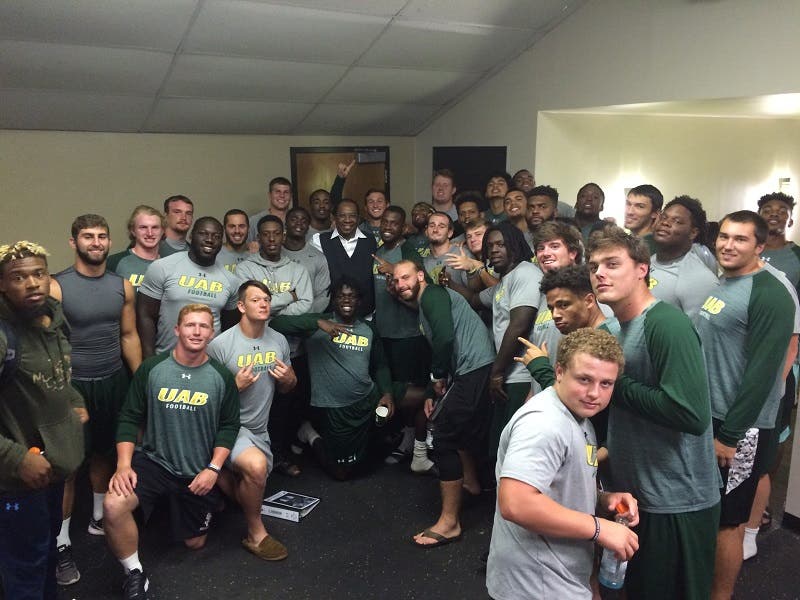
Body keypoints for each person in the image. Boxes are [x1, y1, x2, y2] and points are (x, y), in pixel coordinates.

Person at [586, 226, 720, 599]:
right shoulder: (612, 328)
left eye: (612, 264)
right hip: (634, 494)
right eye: (594, 266)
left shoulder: (665, 323)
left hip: (676, 499)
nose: (600, 273)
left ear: (642, 269)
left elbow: (690, 414)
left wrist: (614, 384)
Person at [487, 328, 639, 600]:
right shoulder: (543, 423)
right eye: (584, 379)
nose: (594, 393)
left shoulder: (578, 416)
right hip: (535, 585)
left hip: (564, 574)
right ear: (559, 371)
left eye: (606, 383)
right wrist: (600, 528)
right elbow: (516, 503)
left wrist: (604, 500)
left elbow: (559, 488)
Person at [693, 211, 797, 600]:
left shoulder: (770, 292)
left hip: (740, 428)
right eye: (724, 236)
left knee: (729, 520)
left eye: (740, 239)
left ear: (759, 246)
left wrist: (730, 435)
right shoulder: (726, 281)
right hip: (709, 416)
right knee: (709, 511)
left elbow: (763, 373)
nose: (728, 245)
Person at [104, 304, 240, 600]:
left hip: (197, 469)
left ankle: (199, 503)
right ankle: (134, 573)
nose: (197, 331)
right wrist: (123, 465)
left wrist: (213, 469)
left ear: (212, 333)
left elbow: (229, 426)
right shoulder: (152, 369)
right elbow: (129, 417)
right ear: (177, 330)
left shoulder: (221, 377)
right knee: (113, 505)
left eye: (204, 326)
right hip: (156, 462)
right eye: (190, 325)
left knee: (194, 543)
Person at [53, 214, 142, 585]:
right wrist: (59, 393)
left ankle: (98, 519)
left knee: (106, 454)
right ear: (73, 242)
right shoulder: (56, 287)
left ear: (109, 241)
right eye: (87, 236)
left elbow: (129, 335)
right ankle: (60, 544)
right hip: (73, 386)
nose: (96, 242)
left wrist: (141, 381)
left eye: (102, 236)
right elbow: (47, 344)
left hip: (113, 381)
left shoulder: (123, 286)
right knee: (69, 466)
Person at [0, 241, 87, 599]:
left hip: (52, 470)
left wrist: (74, 400)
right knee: (25, 569)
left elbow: (58, 374)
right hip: (16, 480)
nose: (32, 283)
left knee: (46, 553)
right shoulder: (4, 335)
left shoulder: (53, 319)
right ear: (2, 285)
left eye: (39, 273)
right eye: (19, 277)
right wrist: (17, 458)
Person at [391, 260, 496, 548]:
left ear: (420, 276)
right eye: (396, 281)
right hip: (467, 370)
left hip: (475, 369)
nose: (401, 284)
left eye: (406, 277)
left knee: (443, 435)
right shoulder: (425, 306)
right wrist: (431, 390)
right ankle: (470, 483)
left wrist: (437, 377)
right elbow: (443, 349)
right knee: (455, 428)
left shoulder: (433, 295)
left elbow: (446, 338)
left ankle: (450, 523)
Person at [270, 277, 395, 481]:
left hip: (368, 398)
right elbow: (276, 323)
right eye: (340, 296)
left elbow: (380, 364)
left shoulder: (368, 328)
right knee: (341, 473)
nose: (346, 300)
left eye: (351, 296)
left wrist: (387, 393)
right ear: (333, 299)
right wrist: (318, 322)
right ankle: (309, 433)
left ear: (359, 301)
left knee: (409, 399)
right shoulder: (319, 324)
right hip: (336, 408)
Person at [208, 280, 296, 561]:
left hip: (260, 429)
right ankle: (255, 534)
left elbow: (287, 387)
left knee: (251, 487)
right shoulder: (221, 345)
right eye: (256, 300)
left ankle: (220, 476)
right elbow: (205, 399)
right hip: (227, 426)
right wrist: (234, 386)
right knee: (256, 469)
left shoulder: (278, 340)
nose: (263, 304)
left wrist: (289, 379)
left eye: (267, 299)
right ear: (241, 306)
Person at [237, 214, 313, 476]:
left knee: (286, 407)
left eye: (276, 233)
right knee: (257, 407)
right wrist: (288, 296)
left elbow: (306, 304)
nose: (271, 238)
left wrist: (268, 312)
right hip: (253, 351)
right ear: (258, 237)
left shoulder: (297, 269)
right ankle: (252, 459)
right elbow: (247, 304)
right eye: (266, 234)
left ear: (283, 236)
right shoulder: (246, 268)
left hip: (290, 349)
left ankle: (278, 456)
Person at [371, 206, 433, 470]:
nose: (388, 226)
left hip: (408, 336)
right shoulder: (377, 251)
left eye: (394, 223)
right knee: (392, 389)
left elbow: (424, 296)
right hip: (384, 333)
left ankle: (414, 443)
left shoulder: (407, 252)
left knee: (410, 394)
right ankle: (402, 437)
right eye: (385, 221)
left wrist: (393, 270)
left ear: (402, 227)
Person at [137, 217, 239, 358]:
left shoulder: (230, 280)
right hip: (166, 358)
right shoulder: (163, 267)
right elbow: (145, 315)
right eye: (203, 234)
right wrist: (149, 360)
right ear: (191, 236)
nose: (209, 240)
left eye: (216, 236)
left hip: (210, 361)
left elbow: (230, 327)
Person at [480, 223, 539, 456]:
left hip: (521, 375)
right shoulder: (504, 282)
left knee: (514, 450)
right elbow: (474, 299)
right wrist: (448, 285)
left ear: (515, 246)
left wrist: (496, 372)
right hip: (508, 375)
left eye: (501, 244)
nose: (494, 250)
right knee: (499, 447)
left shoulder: (525, 272)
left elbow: (519, 325)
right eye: (490, 246)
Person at [649, 195, 718, 320]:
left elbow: (698, 330)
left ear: (693, 233)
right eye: (664, 217)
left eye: (677, 221)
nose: (665, 223)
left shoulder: (700, 280)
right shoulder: (651, 259)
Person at [312, 199, 378, 317]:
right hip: (331, 316)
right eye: (342, 216)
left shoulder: (371, 241)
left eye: (352, 216)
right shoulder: (319, 241)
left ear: (358, 218)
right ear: (334, 218)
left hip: (366, 316)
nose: (347, 220)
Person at [283, 206, 331, 313]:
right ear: (285, 224)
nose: (299, 223)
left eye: (303, 221)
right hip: (276, 317)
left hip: (307, 317)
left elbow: (323, 295)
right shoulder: (274, 254)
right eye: (294, 219)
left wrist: (305, 316)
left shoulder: (319, 257)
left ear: (308, 227)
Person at [107, 205, 164, 291]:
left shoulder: (170, 265)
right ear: (133, 231)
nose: (150, 233)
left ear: (162, 230)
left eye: (155, 227)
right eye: (143, 227)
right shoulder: (114, 262)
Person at [422, 212, 469, 290]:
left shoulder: (462, 254)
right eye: (432, 226)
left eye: (441, 226)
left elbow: (474, 293)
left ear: (450, 233)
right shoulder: (424, 261)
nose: (435, 230)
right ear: (426, 231)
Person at [248, 177, 293, 243]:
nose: (282, 196)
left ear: (291, 196)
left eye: (286, 192)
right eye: (277, 192)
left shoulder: (298, 222)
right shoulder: (254, 221)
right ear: (270, 195)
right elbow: (245, 247)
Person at [624, 184, 663, 253]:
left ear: (655, 213)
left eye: (640, 206)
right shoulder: (630, 241)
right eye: (628, 204)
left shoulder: (650, 248)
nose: (629, 212)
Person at [217, 209, 250, 273]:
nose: (237, 231)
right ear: (224, 228)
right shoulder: (215, 253)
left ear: (248, 228)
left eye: (241, 226)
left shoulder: (256, 254)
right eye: (232, 226)